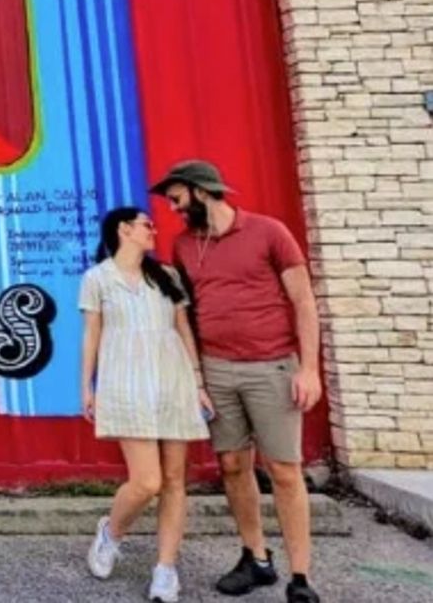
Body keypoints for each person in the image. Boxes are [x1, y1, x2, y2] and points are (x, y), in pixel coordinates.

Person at [152, 160, 323, 603]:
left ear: (201, 192)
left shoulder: (269, 232)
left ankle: (301, 577)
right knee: (232, 465)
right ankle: (256, 557)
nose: (171, 209)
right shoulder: (184, 245)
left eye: (176, 199)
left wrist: (308, 368)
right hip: (217, 369)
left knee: (284, 470)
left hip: (272, 368)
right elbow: (185, 312)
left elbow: (303, 301)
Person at [80, 206, 211, 603]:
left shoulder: (167, 276)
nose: (153, 230)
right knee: (146, 482)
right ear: (125, 230)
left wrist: (198, 381)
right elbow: (92, 336)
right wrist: (87, 386)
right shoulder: (97, 278)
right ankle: (111, 533)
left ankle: (165, 569)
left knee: (174, 480)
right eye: (146, 225)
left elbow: (183, 329)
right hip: (126, 384)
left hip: (173, 382)